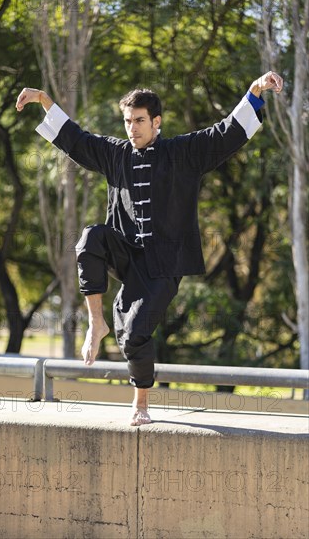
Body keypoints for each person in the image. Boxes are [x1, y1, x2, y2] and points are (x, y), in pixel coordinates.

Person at [16, 71, 283, 426]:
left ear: (156, 122)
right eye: (128, 121)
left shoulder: (182, 153)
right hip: (127, 255)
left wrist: (255, 90)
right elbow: (75, 140)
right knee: (90, 238)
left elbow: (226, 132)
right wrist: (44, 100)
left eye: (139, 121)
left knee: (135, 335)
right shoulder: (115, 154)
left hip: (164, 266)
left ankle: (141, 401)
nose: (132, 128)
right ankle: (96, 322)